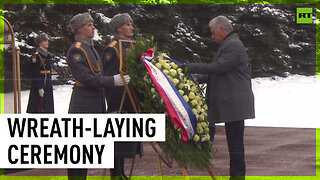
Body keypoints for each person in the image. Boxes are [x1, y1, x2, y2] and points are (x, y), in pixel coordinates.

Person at [182, 15, 255, 180]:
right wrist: (196, 77)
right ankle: (236, 176)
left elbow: (220, 67)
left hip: (235, 104)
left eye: (214, 33)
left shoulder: (233, 45)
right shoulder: (229, 44)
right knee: (234, 144)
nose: (212, 36)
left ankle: (237, 177)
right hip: (234, 104)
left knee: (235, 145)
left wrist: (191, 67)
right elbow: (219, 72)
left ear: (223, 29)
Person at [66, 12, 130, 180]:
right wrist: (112, 81)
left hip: (95, 102)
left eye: (92, 24)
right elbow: (85, 77)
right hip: (83, 104)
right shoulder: (76, 50)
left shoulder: (90, 48)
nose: (93, 27)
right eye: (89, 25)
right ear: (80, 29)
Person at [102, 13, 142, 178]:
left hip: (132, 96)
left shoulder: (132, 45)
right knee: (116, 136)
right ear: (119, 28)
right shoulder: (112, 48)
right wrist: (114, 102)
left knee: (127, 137)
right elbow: (110, 76)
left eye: (131, 24)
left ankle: (122, 172)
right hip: (119, 98)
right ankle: (115, 173)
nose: (131, 27)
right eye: (128, 24)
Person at [27, 33, 54, 113]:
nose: (47, 42)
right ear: (40, 43)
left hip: (47, 84)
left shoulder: (47, 55)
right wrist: (39, 87)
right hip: (39, 84)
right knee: (38, 108)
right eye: (45, 41)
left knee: (48, 107)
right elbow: (35, 72)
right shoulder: (36, 56)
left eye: (47, 40)